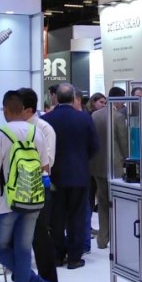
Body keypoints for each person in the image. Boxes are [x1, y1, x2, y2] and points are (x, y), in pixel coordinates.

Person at [0, 90, 53, 282]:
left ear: (5, 110)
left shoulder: (0, 134)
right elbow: (45, 168)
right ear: (22, 109)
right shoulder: (37, 132)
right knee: (23, 251)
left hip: (7, 202)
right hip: (33, 199)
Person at [41, 83, 99, 269]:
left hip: (54, 175)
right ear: (74, 97)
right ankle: (74, 257)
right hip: (79, 174)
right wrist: (82, 160)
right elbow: (94, 146)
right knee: (77, 217)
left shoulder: (46, 119)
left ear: (56, 97)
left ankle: (58, 256)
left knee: (56, 217)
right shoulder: (84, 118)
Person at [91, 87, 128, 250]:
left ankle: (102, 239)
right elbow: (123, 142)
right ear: (118, 100)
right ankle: (117, 238)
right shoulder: (118, 117)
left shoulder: (95, 115)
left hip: (98, 165)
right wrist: (128, 160)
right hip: (115, 167)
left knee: (103, 203)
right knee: (117, 203)